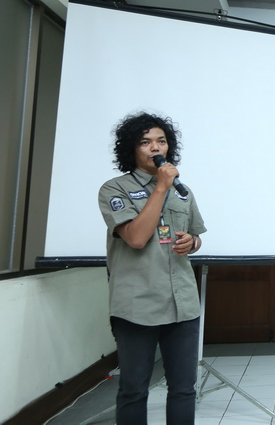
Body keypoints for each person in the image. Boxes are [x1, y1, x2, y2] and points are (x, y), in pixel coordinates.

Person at [98, 112, 206, 424]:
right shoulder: (114, 189)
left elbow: (196, 236)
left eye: (161, 141)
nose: (155, 148)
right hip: (138, 306)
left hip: (182, 304)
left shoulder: (183, 191)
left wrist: (192, 242)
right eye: (145, 142)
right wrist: (160, 187)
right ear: (131, 148)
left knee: (184, 389)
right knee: (134, 389)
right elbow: (136, 238)